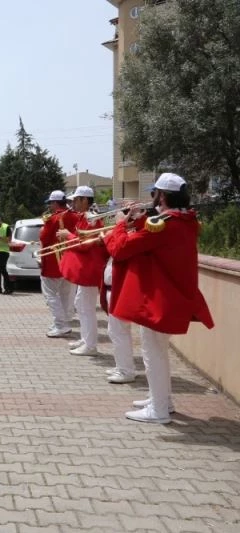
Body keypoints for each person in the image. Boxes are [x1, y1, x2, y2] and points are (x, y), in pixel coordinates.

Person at [103, 173, 214, 424]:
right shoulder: (183, 220)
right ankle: (161, 400)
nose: (152, 198)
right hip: (170, 297)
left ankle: (159, 410)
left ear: (162, 196)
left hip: (160, 299)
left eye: (154, 193)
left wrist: (120, 224)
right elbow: (156, 239)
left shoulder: (165, 223)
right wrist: (140, 219)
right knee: (158, 352)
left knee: (153, 353)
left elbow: (120, 250)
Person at [57, 186, 108, 355]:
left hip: (89, 269)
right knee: (81, 304)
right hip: (86, 269)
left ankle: (90, 345)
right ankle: (86, 339)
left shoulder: (92, 219)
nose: (73, 204)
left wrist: (67, 235)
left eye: (76, 200)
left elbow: (84, 244)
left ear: (85, 200)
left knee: (86, 307)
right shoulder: (84, 217)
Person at [39, 190, 79, 337]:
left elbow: (44, 238)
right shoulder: (76, 216)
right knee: (66, 294)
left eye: (51, 203)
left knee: (50, 294)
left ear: (56, 203)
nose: (50, 206)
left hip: (53, 263)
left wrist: (43, 228)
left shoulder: (53, 218)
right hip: (70, 261)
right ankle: (64, 322)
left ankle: (61, 325)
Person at [102, 257, 136, 384]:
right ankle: (121, 366)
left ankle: (126, 371)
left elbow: (118, 251)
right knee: (115, 331)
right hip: (113, 289)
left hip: (119, 290)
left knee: (119, 331)